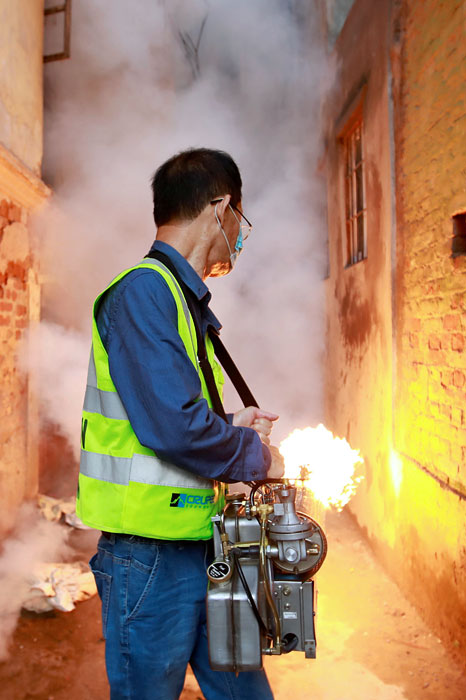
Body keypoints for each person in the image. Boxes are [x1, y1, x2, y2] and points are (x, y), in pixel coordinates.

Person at [77, 148, 283, 700]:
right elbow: (172, 427)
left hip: (199, 543)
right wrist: (256, 456)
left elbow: (175, 407)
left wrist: (233, 423)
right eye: (240, 217)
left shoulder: (178, 298)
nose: (241, 234)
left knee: (246, 693)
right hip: (149, 557)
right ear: (220, 209)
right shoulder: (145, 292)